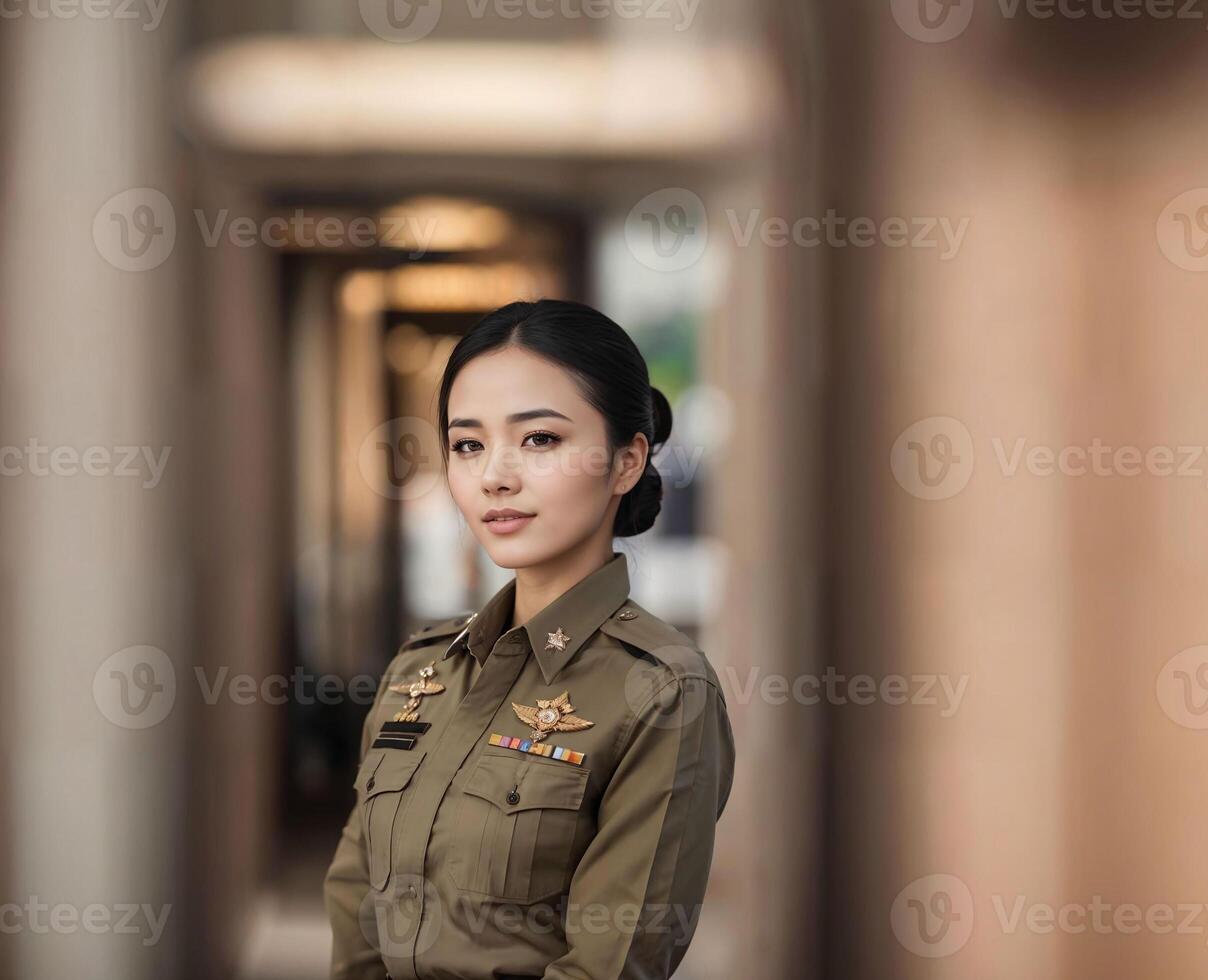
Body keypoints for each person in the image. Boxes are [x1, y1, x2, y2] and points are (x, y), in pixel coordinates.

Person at [323, 298, 735, 980]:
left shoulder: (661, 692)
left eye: (539, 439)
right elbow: (355, 904)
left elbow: (614, 961)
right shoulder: (421, 670)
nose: (495, 476)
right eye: (468, 444)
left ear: (627, 460)